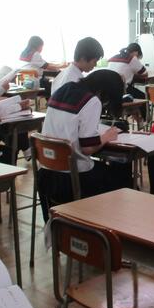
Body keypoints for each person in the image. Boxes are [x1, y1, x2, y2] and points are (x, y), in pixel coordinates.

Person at [38, 69, 132, 220]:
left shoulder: (63, 89)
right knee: (122, 176)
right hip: (73, 179)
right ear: (104, 92)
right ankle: (111, 224)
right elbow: (87, 149)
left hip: (46, 175)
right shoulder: (91, 100)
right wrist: (106, 136)